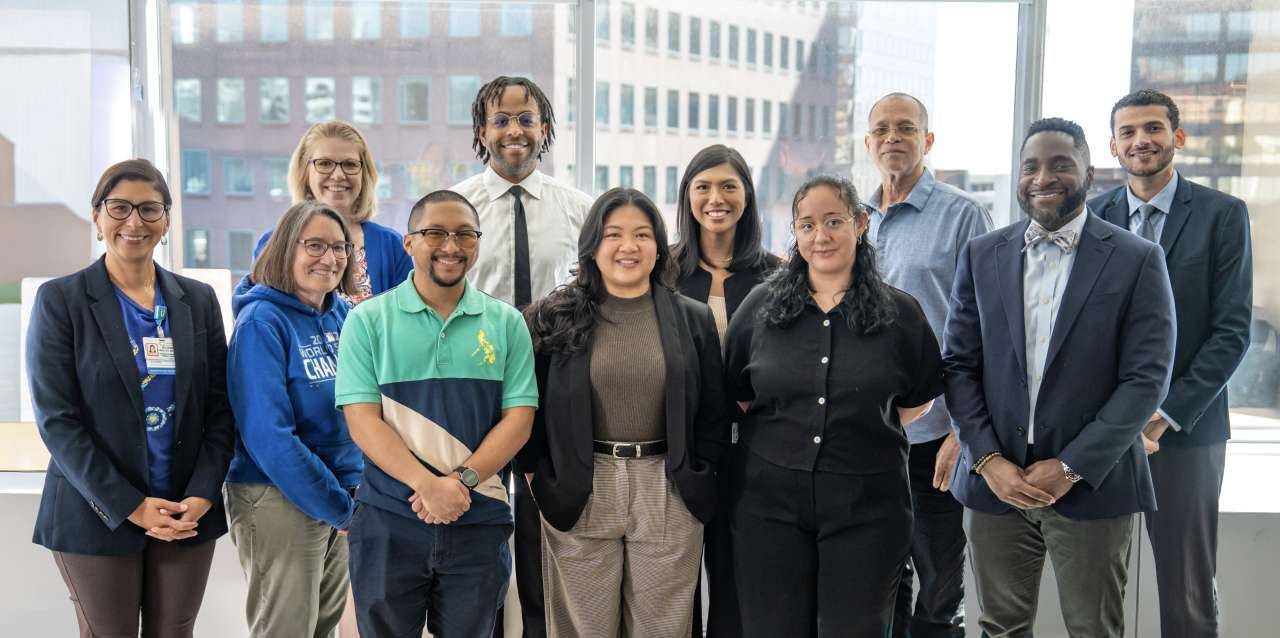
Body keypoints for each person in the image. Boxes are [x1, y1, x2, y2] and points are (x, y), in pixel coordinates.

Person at [943, 117, 1176, 637]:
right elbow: (958, 364)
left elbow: (1146, 379)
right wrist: (986, 460)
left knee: (1094, 630)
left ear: (1089, 174)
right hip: (996, 487)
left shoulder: (1137, 259)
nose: (1042, 177)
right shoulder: (982, 254)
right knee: (1000, 628)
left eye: (1059, 165)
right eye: (1031, 166)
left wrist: (1070, 466)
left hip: (1093, 487)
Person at [724, 174, 944, 637]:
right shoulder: (760, 306)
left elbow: (916, 403)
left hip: (868, 509)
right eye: (806, 225)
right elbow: (741, 395)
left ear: (861, 223)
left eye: (833, 221)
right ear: (795, 231)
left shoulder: (900, 313)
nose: (819, 236)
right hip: (769, 506)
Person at [26, 158, 235, 637]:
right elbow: (58, 421)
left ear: (167, 220)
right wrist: (132, 506)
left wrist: (202, 495)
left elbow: (220, 409)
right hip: (97, 512)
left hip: (186, 512)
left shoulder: (196, 299)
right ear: (97, 217)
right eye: (119, 208)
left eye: (149, 209)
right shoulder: (63, 300)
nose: (134, 222)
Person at [520, 187, 729, 638]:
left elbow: (714, 413)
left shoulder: (693, 319)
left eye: (641, 234)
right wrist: (539, 478)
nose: (628, 246)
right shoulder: (552, 317)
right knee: (583, 628)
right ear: (592, 246)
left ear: (659, 247)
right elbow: (528, 408)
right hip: (582, 483)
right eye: (613, 234)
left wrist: (701, 476)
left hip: (667, 485)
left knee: (662, 629)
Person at [335, 190, 538, 638]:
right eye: (435, 233)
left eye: (466, 234)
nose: (452, 246)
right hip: (389, 519)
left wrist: (459, 482)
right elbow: (362, 421)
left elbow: (519, 421)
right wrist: (428, 485)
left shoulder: (507, 323)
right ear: (409, 243)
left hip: (478, 518)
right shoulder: (368, 321)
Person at [1090, 89, 1253, 638]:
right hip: (1104, 433)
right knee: (1094, 584)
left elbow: (1231, 333)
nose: (1142, 141)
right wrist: (1114, 422)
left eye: (1154, 128)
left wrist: (1162, 416)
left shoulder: (1222, 215)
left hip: (1186, 432)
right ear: (1113, 145)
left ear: (1177, 137)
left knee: (1186, 587)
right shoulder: (1093, 217)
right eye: (1129, 132)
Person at [452, 74, 592, 637]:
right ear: (482, 131)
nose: (515, 130)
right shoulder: (456, 207)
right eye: (502, 119)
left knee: (543, 539)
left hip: (553, 388)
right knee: (478, 538)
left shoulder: (580, 210)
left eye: (526, 119)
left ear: (547, 129)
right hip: (476, 391)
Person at [861, 92, 993, 638]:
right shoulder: (854, 219)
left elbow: (993, 330)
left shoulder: (963, 215)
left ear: (927, 141)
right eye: (883, 129)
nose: (894, 137)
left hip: (937, 440)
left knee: (940, 592)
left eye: (906, 128)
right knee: (879, 587)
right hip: (869, 436)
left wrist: (965, 431)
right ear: (868, 144)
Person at [225, 201, 363, 637]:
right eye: (315, 245)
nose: (330, 258)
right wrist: (339, 508)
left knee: (322, 628)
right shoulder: (261, 322)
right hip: (277, 496)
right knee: (285, 630)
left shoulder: (343, 315)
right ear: (287, 249)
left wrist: (350, 499)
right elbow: (269, 437)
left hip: (341, 496)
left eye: (339, 247)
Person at [668, 144, 779, 638]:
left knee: (741, 587)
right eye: (704, 186)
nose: (717, 198)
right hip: (678, 450)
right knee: (672, 588)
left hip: (755, 454)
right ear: (687, 196)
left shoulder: (779, 276)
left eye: (729, 186)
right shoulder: (662, 272)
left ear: (747, 196)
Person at [257, 119, 413, 305]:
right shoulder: (275, 244)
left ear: (365, 173)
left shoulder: (392, 245)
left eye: (350, 164)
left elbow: (406, 321)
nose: (338, 175)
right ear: (305, 173)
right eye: (324, 163)